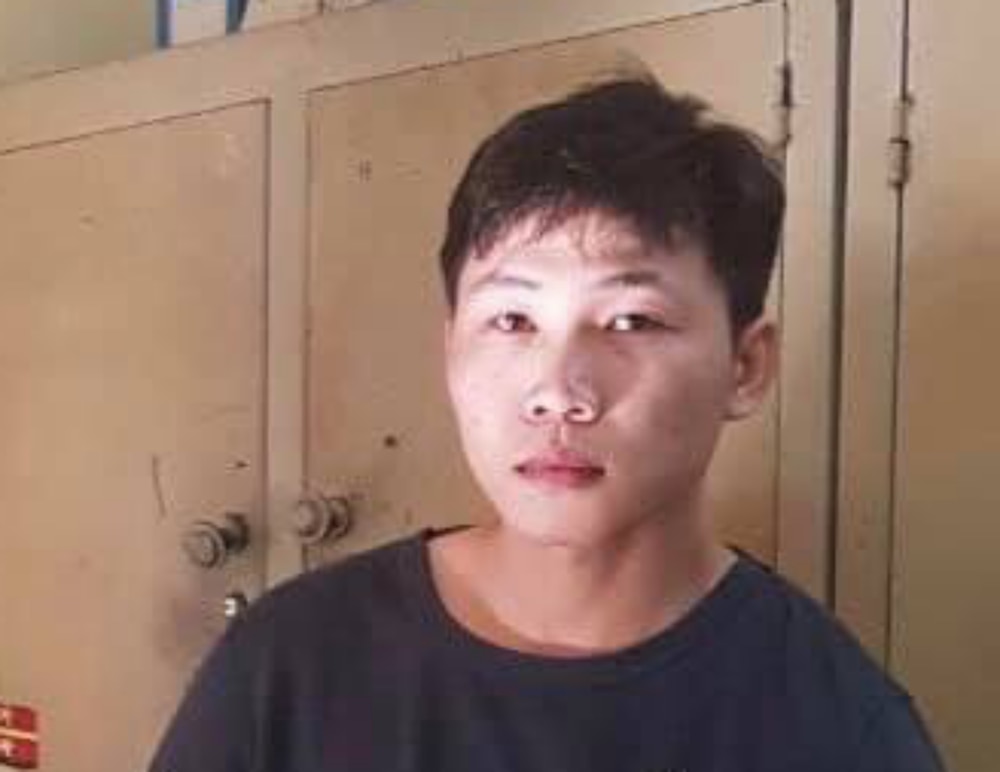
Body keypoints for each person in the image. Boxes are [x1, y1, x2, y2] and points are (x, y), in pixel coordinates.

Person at [149, 73, 947, 772]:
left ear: (746, 366)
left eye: (632, 321)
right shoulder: (291, 665)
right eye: (512, 320)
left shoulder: (838, 726)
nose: (559, 392)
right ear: (451, 349)